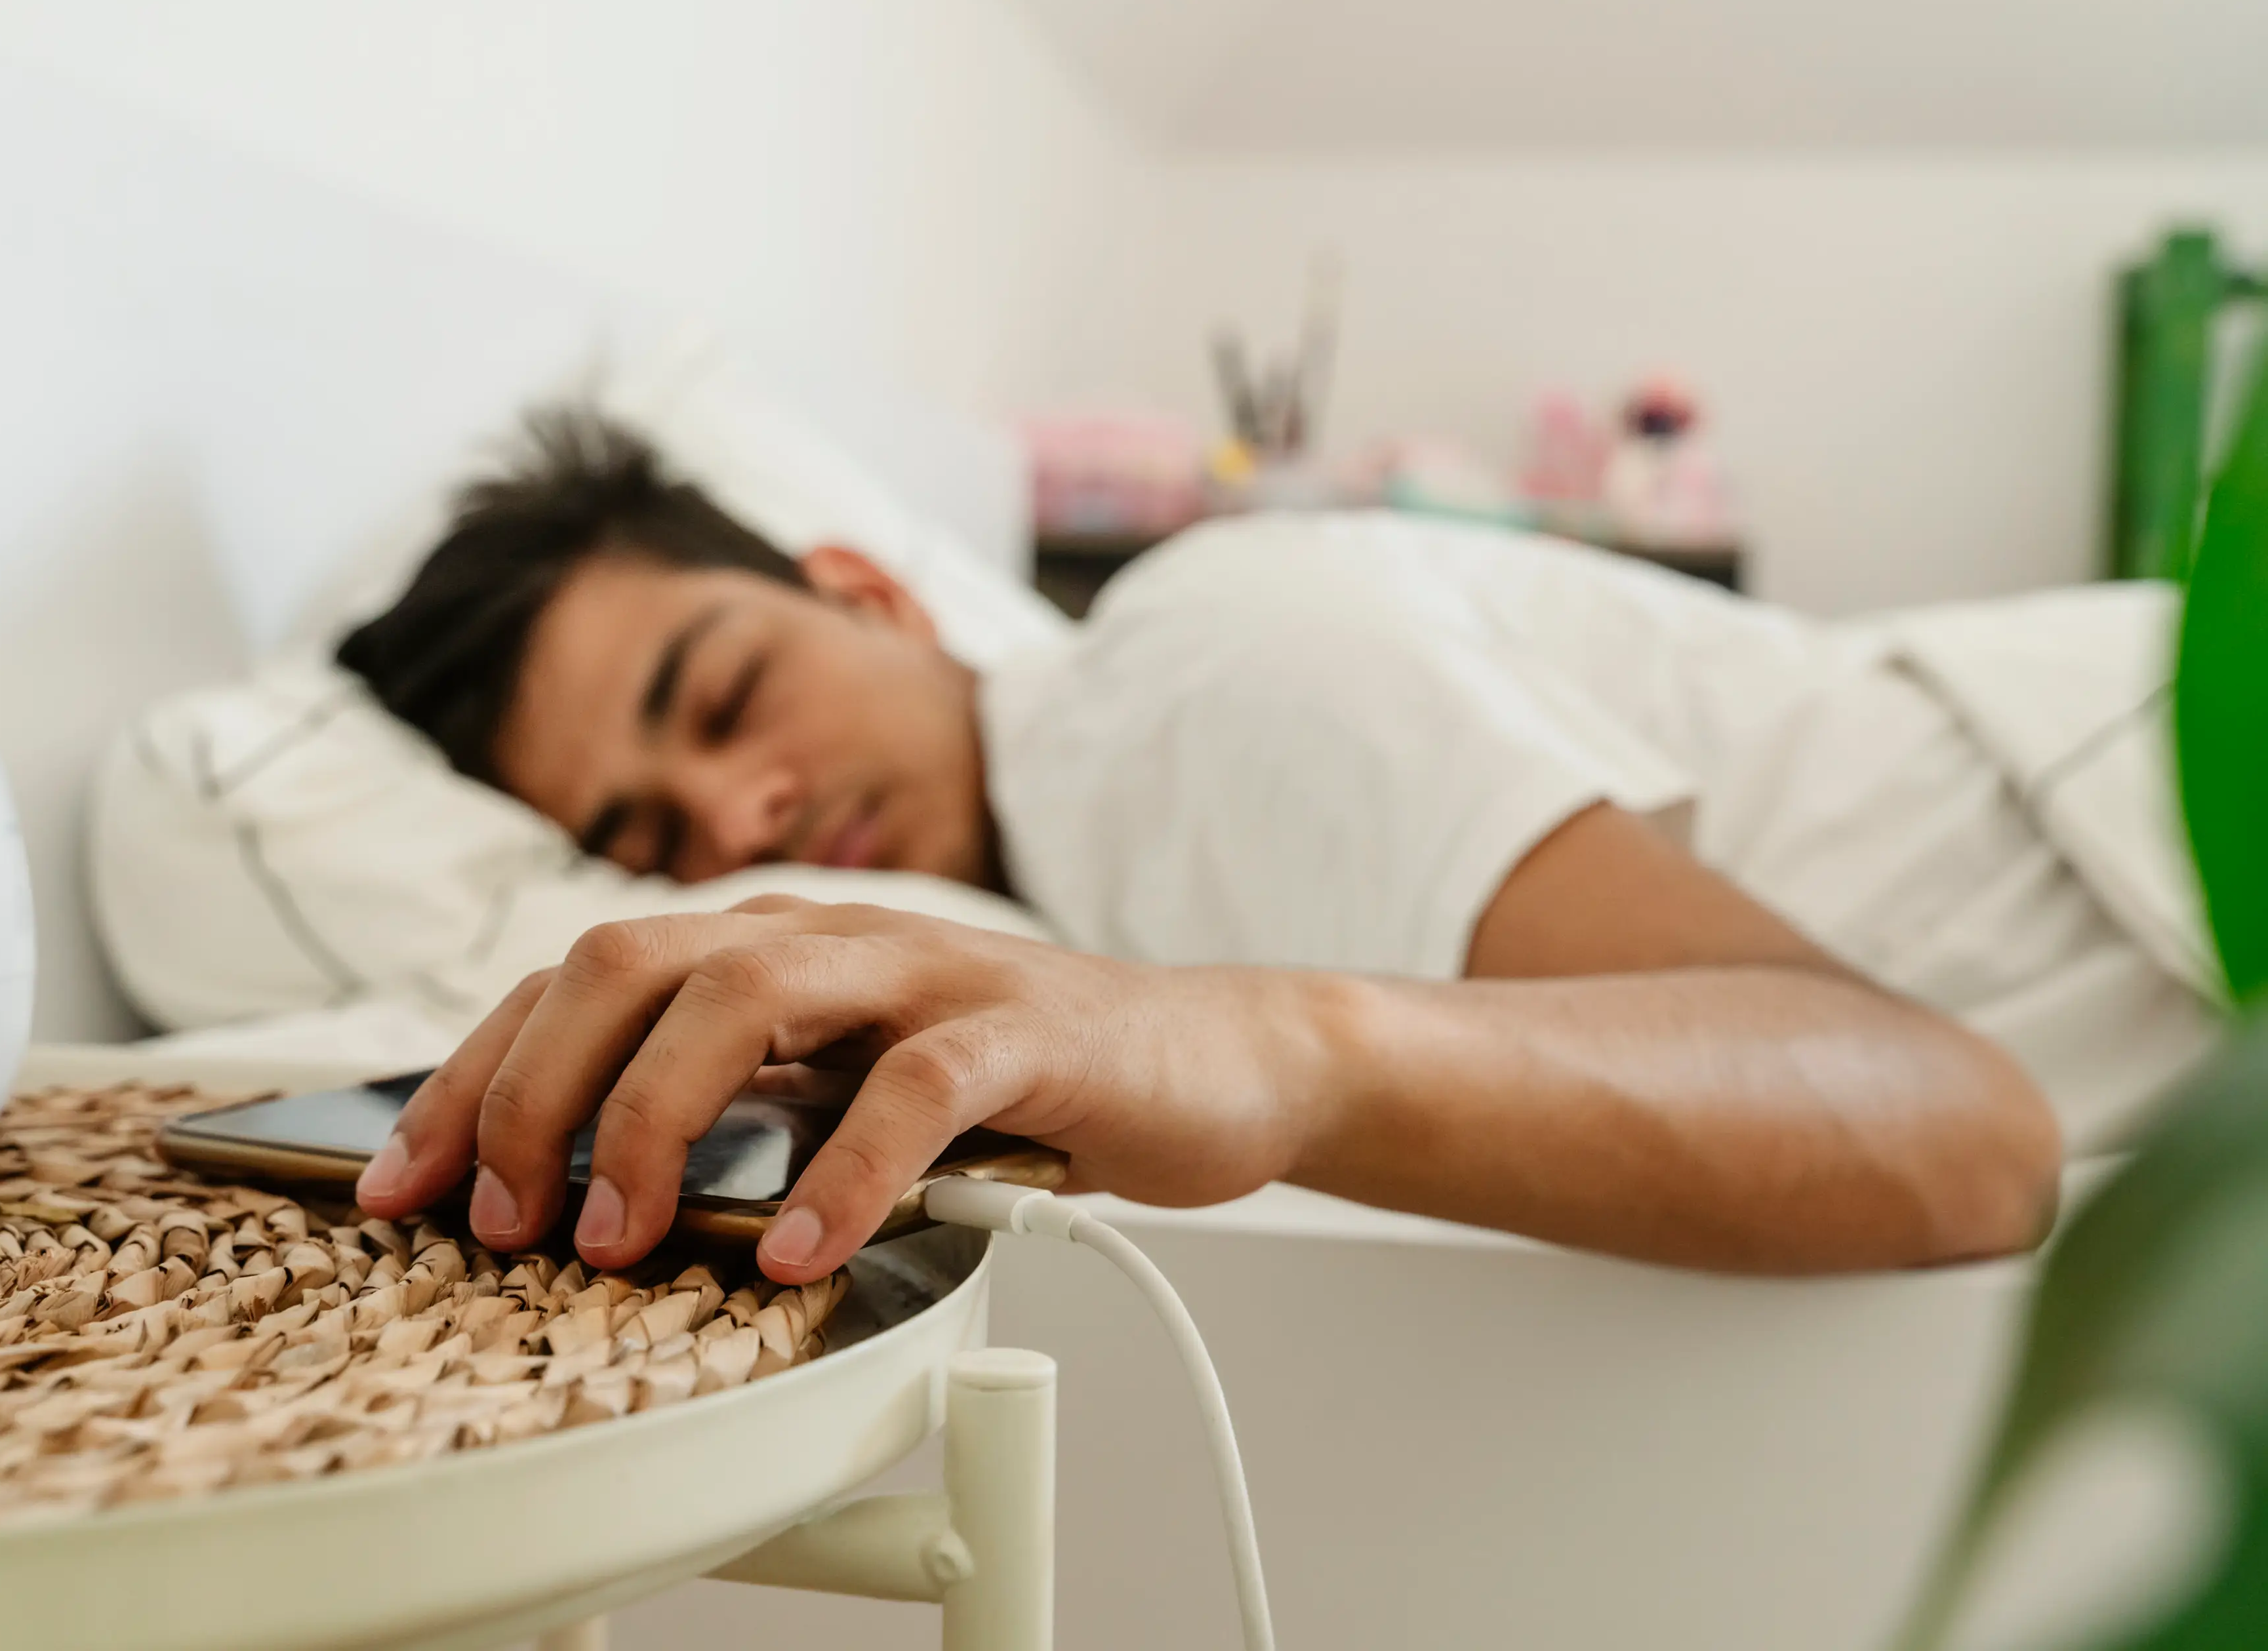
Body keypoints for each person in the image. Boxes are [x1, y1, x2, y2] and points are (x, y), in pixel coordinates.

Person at [333, 412, 2219, 1288]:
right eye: (651, 835)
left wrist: (1271, 1046)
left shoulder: (1187, 670)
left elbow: (1952, 1124)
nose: (735, 816)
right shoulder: (1092, 838)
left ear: (872, 594)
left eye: (727, 693)